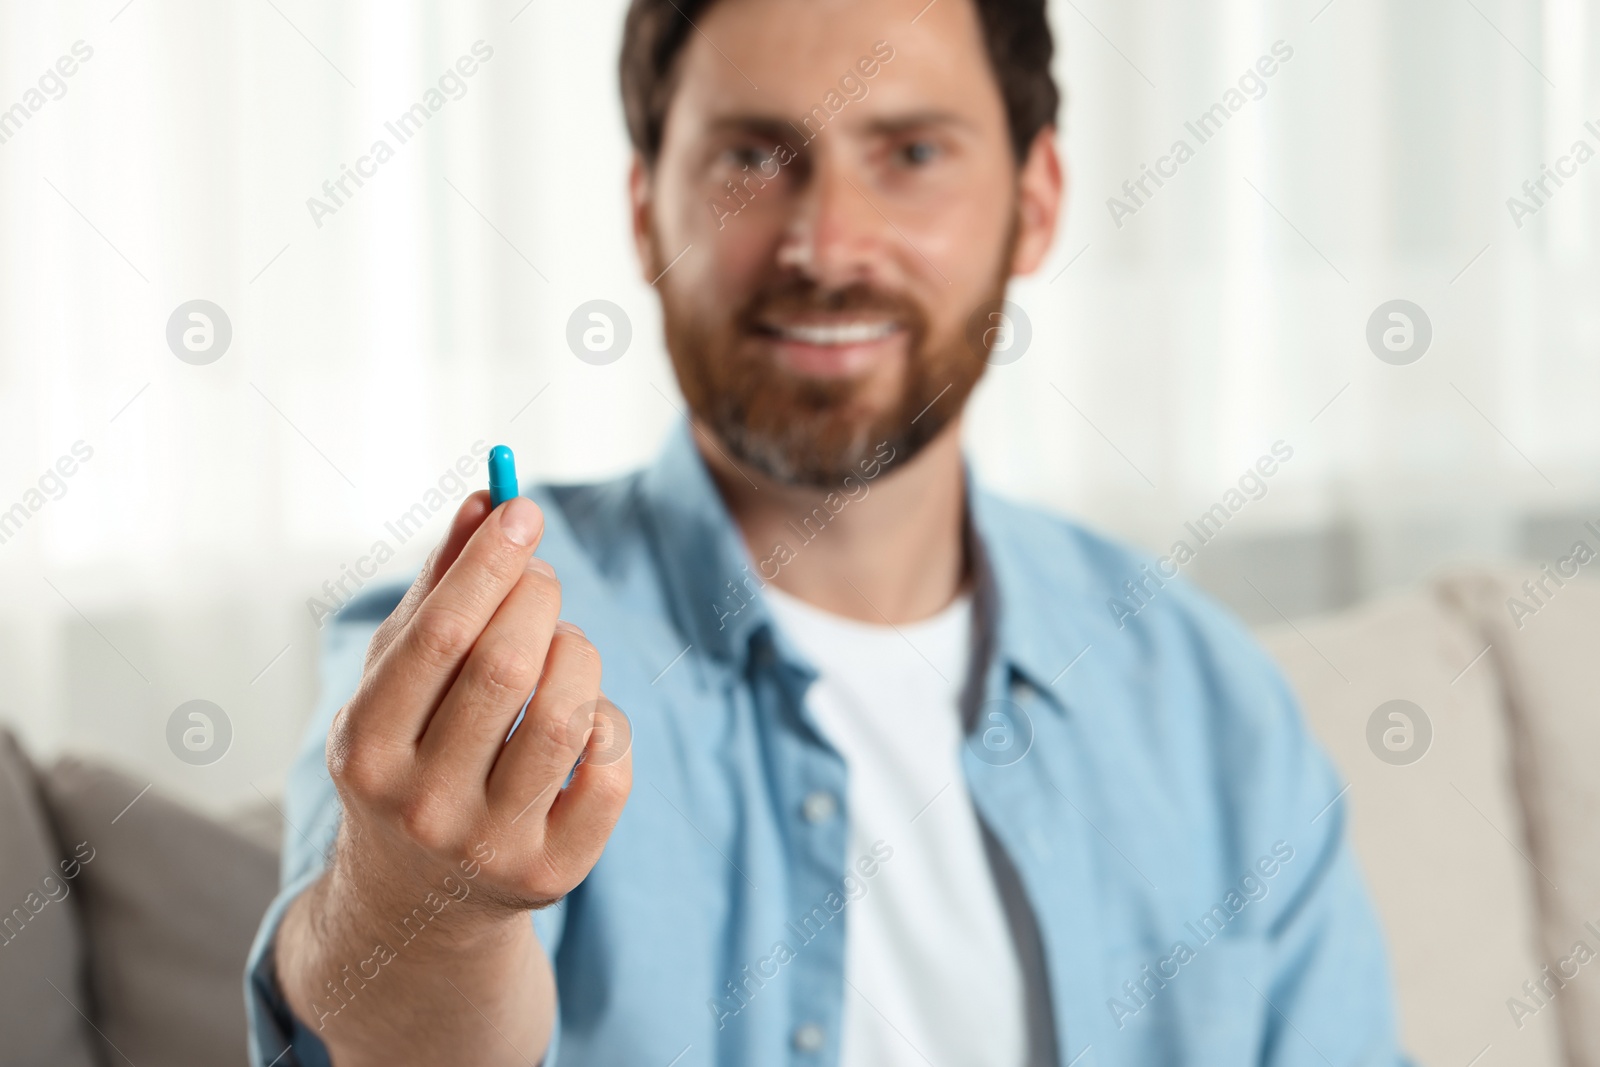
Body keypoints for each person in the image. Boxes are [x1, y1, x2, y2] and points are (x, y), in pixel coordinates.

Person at [247, 0, 1408, 1063]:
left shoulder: (1213, 704)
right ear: (645, 211)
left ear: (1035, 203)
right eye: (752, 159)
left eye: (910, 154)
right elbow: (375, 1015)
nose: (827, 243)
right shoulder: (471, 666)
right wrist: (420, 912)